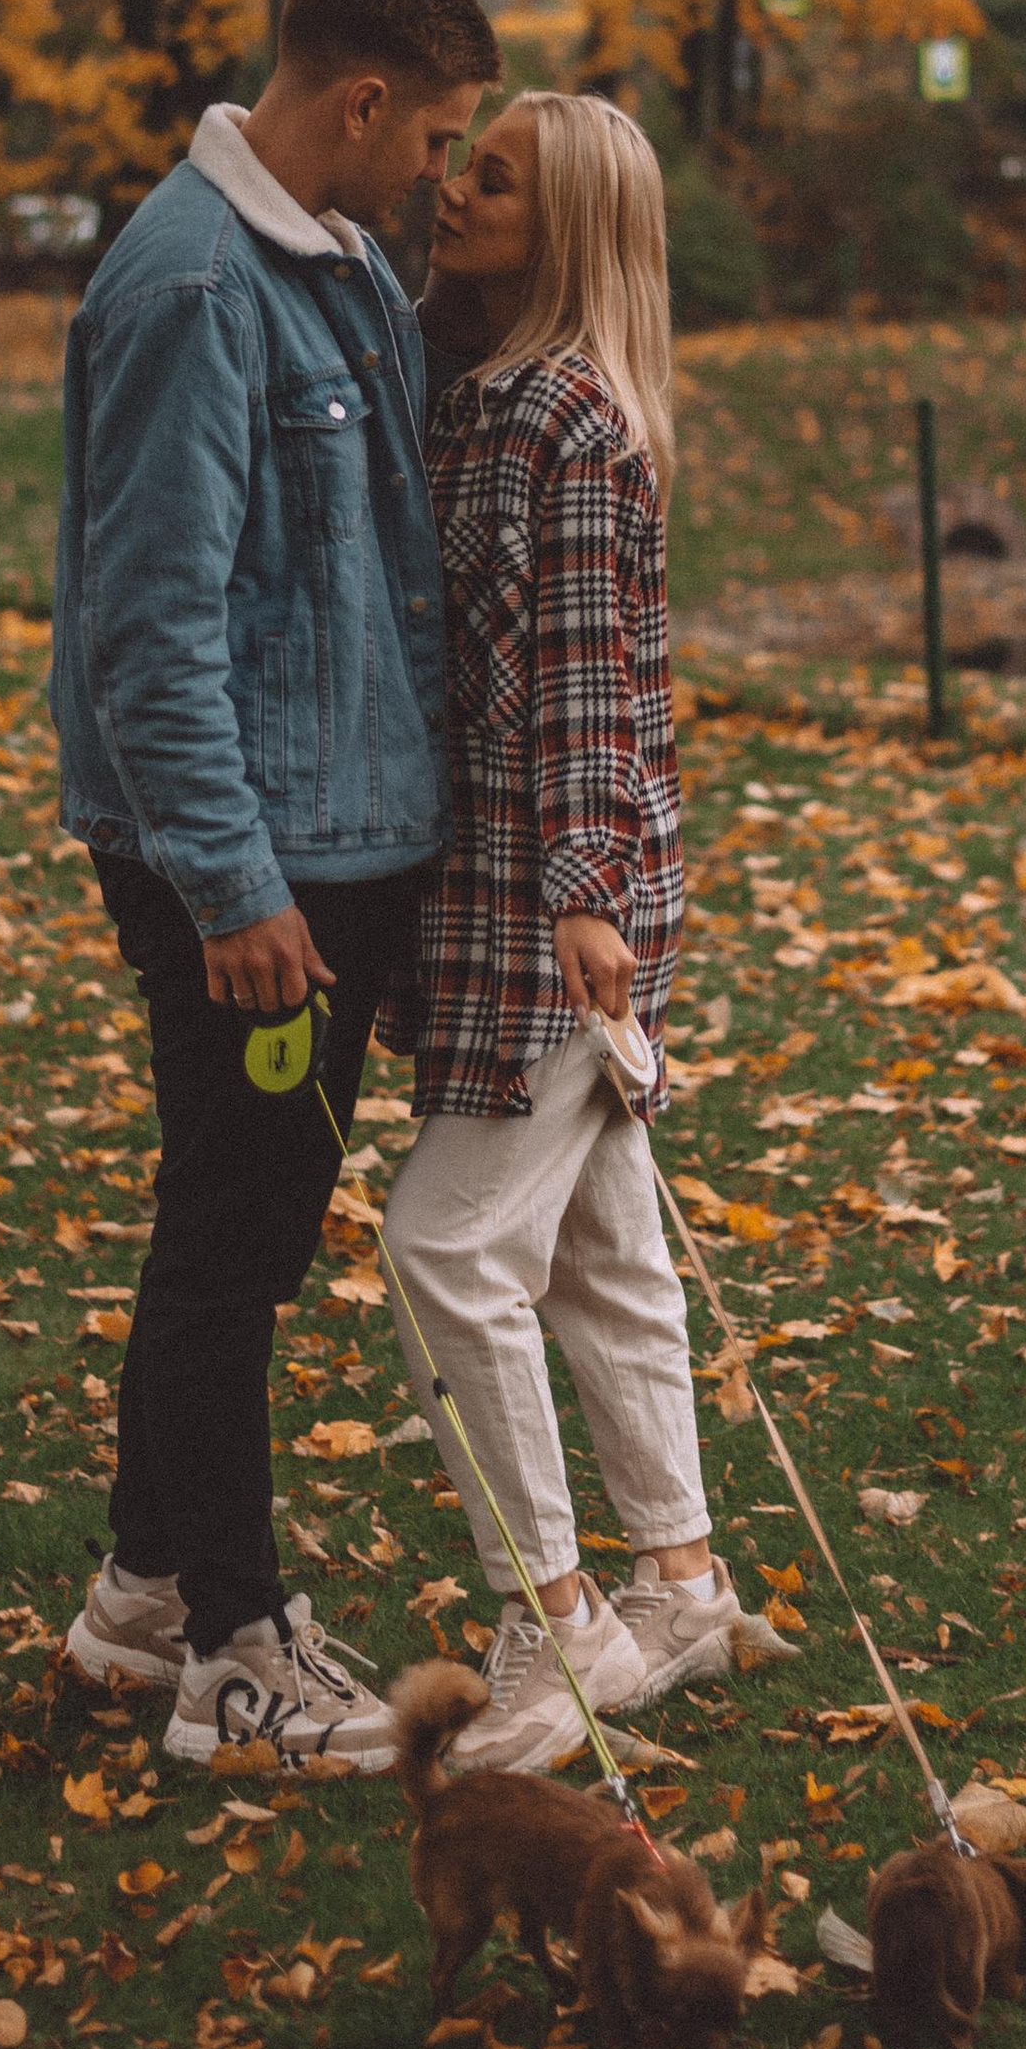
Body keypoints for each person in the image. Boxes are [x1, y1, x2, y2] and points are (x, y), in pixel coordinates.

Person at [50, 0, 499, 1768]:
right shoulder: (196, 287)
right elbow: (149, 632)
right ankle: (235, 1648)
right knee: (231, 1245)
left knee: (241, 1228)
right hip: (256, 867)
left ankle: (145, 1593)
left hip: (334, 843)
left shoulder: (340, 268)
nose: (447, 173)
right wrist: (234, 888)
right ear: (363, 99)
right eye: (440, 133)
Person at [378, 92, 743, 1770]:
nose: (457, 189)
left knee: (447, 1241)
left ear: (571, 225)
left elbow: (595, 682)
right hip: (520, 901)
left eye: (496, 177)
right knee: (602, 1252)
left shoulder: (567, 420)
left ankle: (562, 1614)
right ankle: (680, 1573)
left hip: (554, 913)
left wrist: (586, 893)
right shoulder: (480, 396)